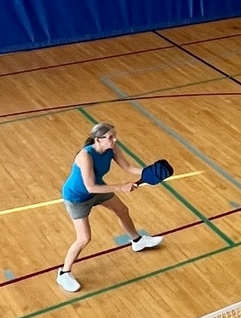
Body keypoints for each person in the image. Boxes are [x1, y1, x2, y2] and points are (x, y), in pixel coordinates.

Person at [56, 122, 162, 293]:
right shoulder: (85, 156)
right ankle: (63, 273)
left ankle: (137, 241)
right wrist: (121, 187)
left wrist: (149, 172)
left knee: (122, 210)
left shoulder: (112, 148)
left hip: (99, 188)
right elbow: (90, 187)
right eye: (111, 137)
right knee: (84, 238)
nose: (115, 139)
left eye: (115, 135)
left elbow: (128, 167)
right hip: (77, 197)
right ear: (98, 140)